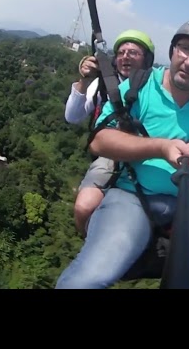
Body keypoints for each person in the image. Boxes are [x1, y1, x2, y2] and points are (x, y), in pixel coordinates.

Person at [55, 17, 189, 289]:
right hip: (132, 192)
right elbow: (100, 141)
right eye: (185, 49)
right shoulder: (139, 86)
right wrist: (160, 147)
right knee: (85, 281)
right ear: (172, 51)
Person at [64, 29, 155, 237]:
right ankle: (89, 238)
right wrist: (84, 81)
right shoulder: (103, 84)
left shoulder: (155, 87)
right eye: (121, 52)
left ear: (146, 59)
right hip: (110, 155)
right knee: (84, 206)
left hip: (147, 153)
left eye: (133, 53)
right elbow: (72, 116)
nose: (125, 57)